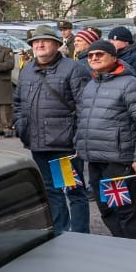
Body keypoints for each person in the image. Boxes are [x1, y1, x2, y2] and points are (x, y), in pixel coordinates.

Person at [13, 25, 92, 233]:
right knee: (51, 190)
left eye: (44, 41)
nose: (39, 45)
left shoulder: (73, 69)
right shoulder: (27, 69)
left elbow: (85, 107)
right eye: (35, 42)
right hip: (38, 144)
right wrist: (22, 126)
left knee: (71, 190)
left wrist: (78, 139)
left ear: (57, 45)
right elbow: (18, 103)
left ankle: (80, 234)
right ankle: (60, 231)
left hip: (62, 146)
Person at [76, 39, 136, 240]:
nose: (94, 58)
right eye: (91, 55)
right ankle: (121, 249)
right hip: (96, 162)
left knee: (126, 213)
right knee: (107, 210)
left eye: (99, 54)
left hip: (118, 163)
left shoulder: (130, 84)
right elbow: (84, 119)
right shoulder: (91, 85)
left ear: (113, 57)